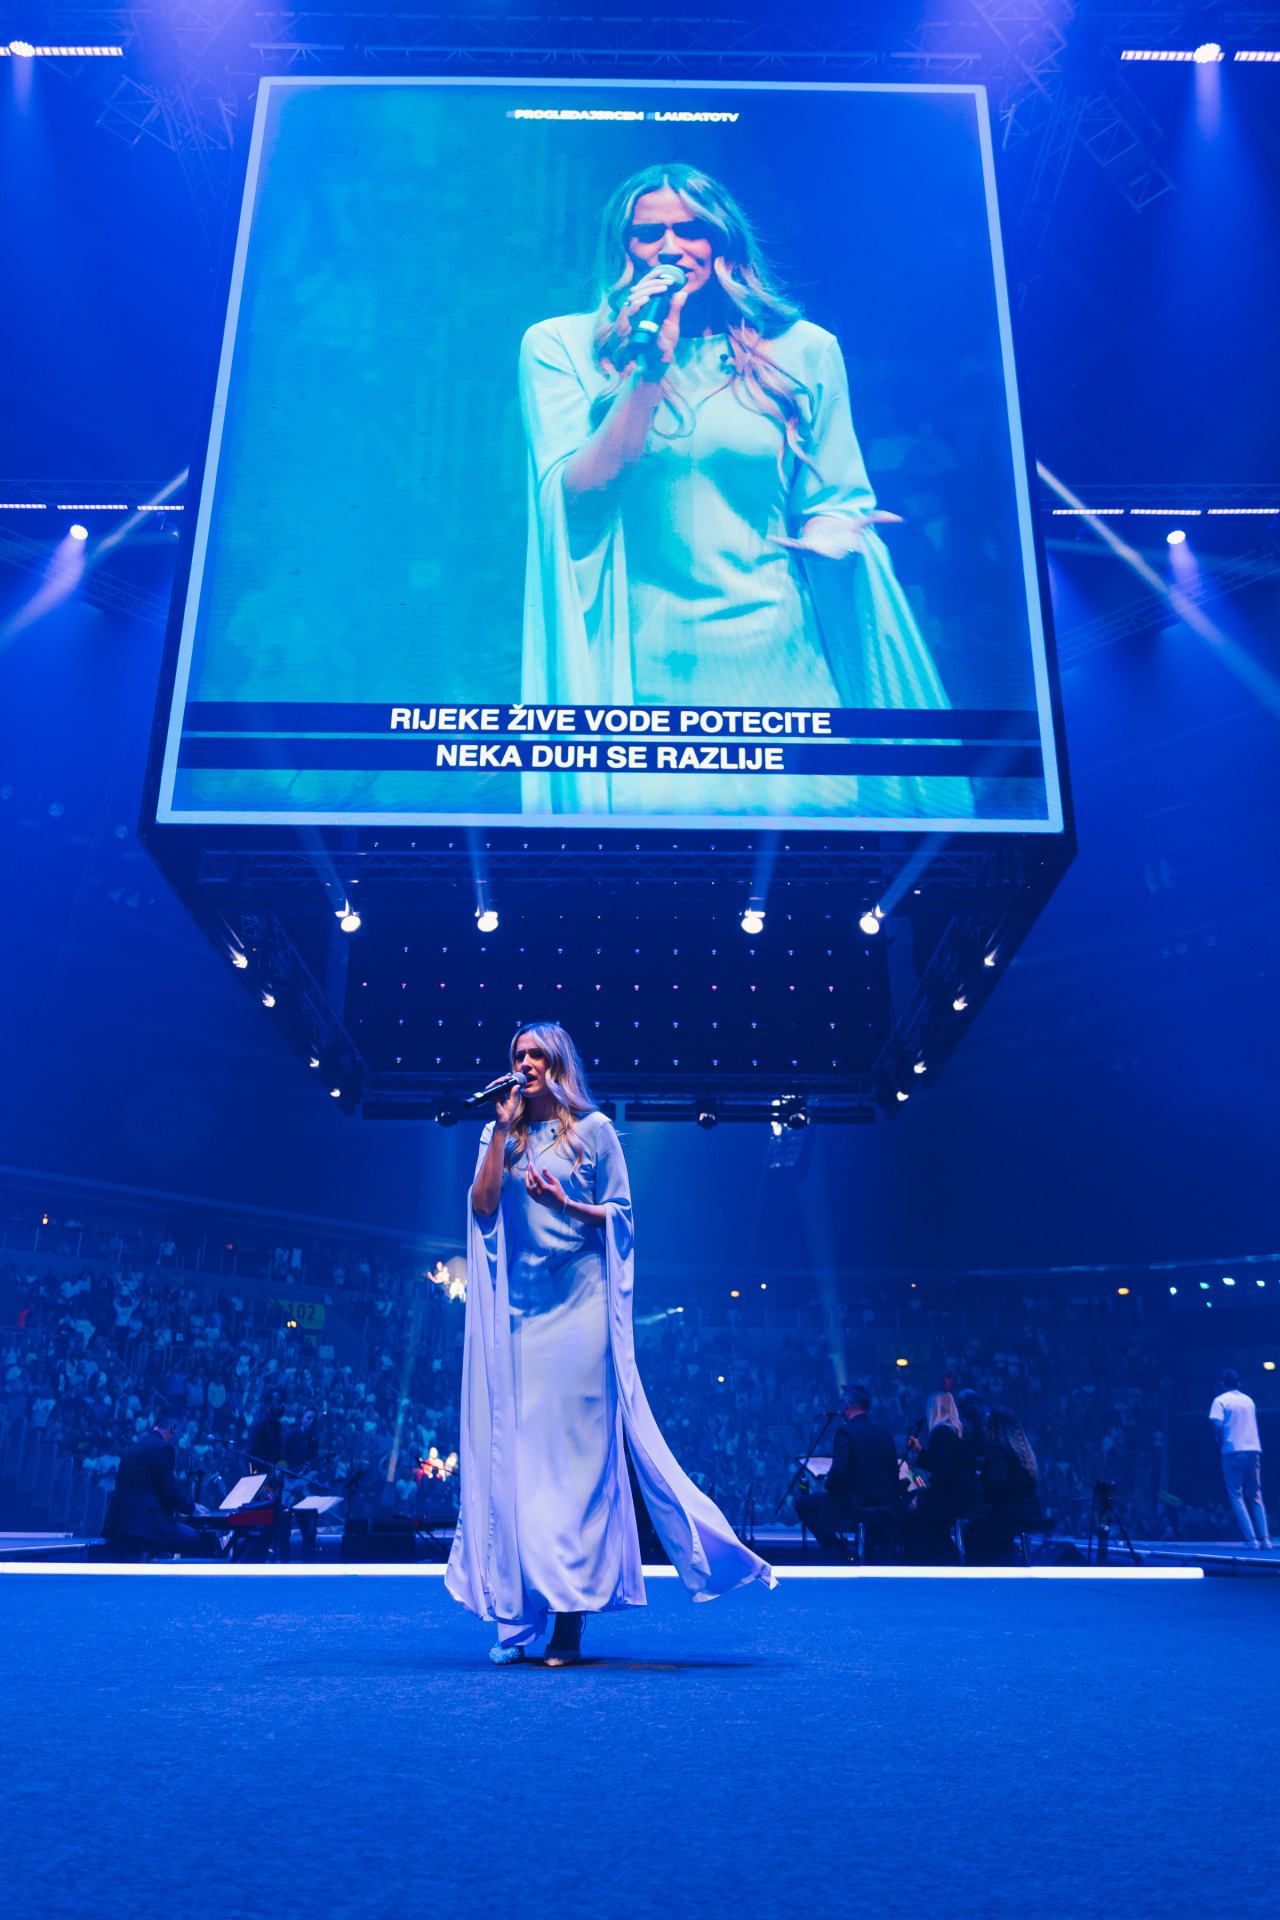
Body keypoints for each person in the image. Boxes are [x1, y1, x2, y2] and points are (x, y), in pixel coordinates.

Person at [518, 161, 968, 822]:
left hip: (782, 675)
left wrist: (835, 534)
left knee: (809, 870)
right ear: (622, 247)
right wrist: (649, 369)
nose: (670, 248)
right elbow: (576, 507)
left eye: (691, 229)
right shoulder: (561, 347)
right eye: (649, 234)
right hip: (642, 686)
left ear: (724, 239)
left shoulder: (805, 349)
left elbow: (835, 498)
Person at [446, 1021, 775, 1666]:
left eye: (536, 1055)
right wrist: (499, 1133)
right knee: (522, 1470)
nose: (524, 1063)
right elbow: (482, 1208)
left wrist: (566, 1203)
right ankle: (520, 1618)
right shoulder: (501, 1132)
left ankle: (569, 1622)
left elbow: (622, 1218)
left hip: (580, 1313)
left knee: (573, 1469)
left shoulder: (594, 1131)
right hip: (520, 1314)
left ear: (558, 1063)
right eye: (517, 1055)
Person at [794, 1385, 900, 1557]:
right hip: (885, 1506)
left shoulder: (846, 1433)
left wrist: (828, 1483)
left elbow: (839, 1473)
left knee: (802, 1504)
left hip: (855, 1506)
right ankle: (868, 1548)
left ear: (847, 1405)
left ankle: (840, 1551)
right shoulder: (884, 1434)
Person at [101, 1407, 198, 1559]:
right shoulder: (163, 1448)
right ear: (173, 1427)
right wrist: (192, 1508)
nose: (181, 1436)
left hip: (119, 1523)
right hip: (143, 1524)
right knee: (202, 1542)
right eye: (181, 1430)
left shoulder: (136, 1446)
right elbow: (168, 1491)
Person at [900, 1390, 983, 1564]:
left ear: (932, 1410)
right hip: (966, 1496)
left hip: (951, 1499)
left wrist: (921, 1501)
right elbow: (944, 1464)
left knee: (908, 1516)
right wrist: (920, 1452)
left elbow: (941, 1477)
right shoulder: (962, 1432)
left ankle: (941, 1559)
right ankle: (947, 1556)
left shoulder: (940, 1433)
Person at [963, 1408, 1043, 1565]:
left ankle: (984, 1573)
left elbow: (997, 1483)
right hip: (1029, 1510)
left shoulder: (997, 1448)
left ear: (992, 1426)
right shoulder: (1022, 1451)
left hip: (1009, 1512)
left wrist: (982, 1495)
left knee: (971, 1530)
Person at [1210, 1369, 1273, 1550]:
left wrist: (1219, 1440)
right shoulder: (1249, 1400)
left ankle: (1251, 1540)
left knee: (1236, 1495)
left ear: (1222, 1383)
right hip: (1253, 1449)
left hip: (1232, 1450)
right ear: (1239, 1383)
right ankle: (1265, 1539)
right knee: (1256, 1494)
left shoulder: (1220, 1400)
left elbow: (1217, 1425)